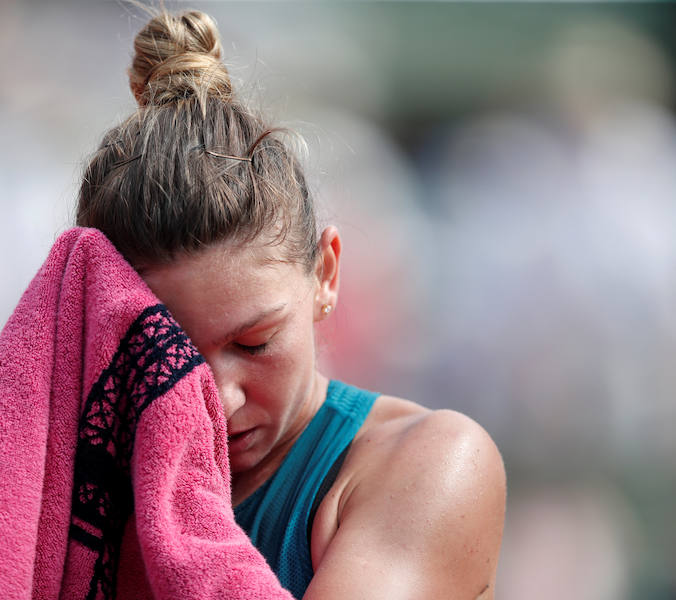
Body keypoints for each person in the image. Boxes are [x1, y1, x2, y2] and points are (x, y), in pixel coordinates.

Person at [75, 9, 506, 599]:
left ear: (326, 273)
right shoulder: (68, 475)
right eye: (170, 359)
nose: (221, 398)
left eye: (254, 343)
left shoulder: (428, 462)